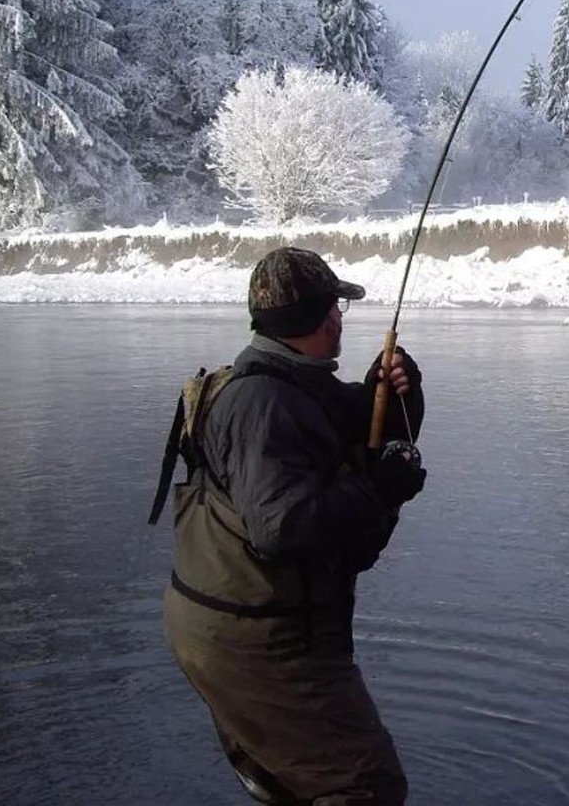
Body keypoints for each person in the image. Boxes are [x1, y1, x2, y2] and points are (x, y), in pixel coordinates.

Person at [162, 246, 427, 805]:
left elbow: (349, 423)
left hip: (229, 623)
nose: (340, 318)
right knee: (366, 784)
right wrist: (380, 486)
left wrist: (396, 393)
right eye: (336, 307)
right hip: (257, 639)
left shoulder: (289, 380)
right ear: (322, 317)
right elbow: (283, 526)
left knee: (290, 784)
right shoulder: (264, 404)